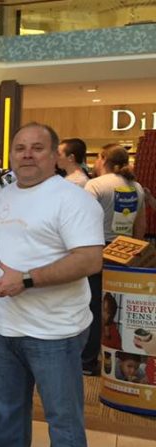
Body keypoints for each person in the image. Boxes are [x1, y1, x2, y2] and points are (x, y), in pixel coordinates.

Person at [0, 122, 103, 447]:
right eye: (20, 148)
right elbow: (6, 239)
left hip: (54, 333)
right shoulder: (6, 194)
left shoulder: (72, 199)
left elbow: (89, 260)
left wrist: (26, 279)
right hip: (4, 328)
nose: (27, 155)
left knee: (62, 420)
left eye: (37, 148)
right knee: (7, 414)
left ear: (55, 156)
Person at [81, 144, 146, 375]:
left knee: (92, 307)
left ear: (102, 158)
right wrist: (135, 253)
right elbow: (141, 225)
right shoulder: (136, 186)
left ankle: (88, 362)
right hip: (125, 251)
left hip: (97, 249)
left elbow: (82, 219)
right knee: (114, 308)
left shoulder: (95, 185)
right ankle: (116, 354)